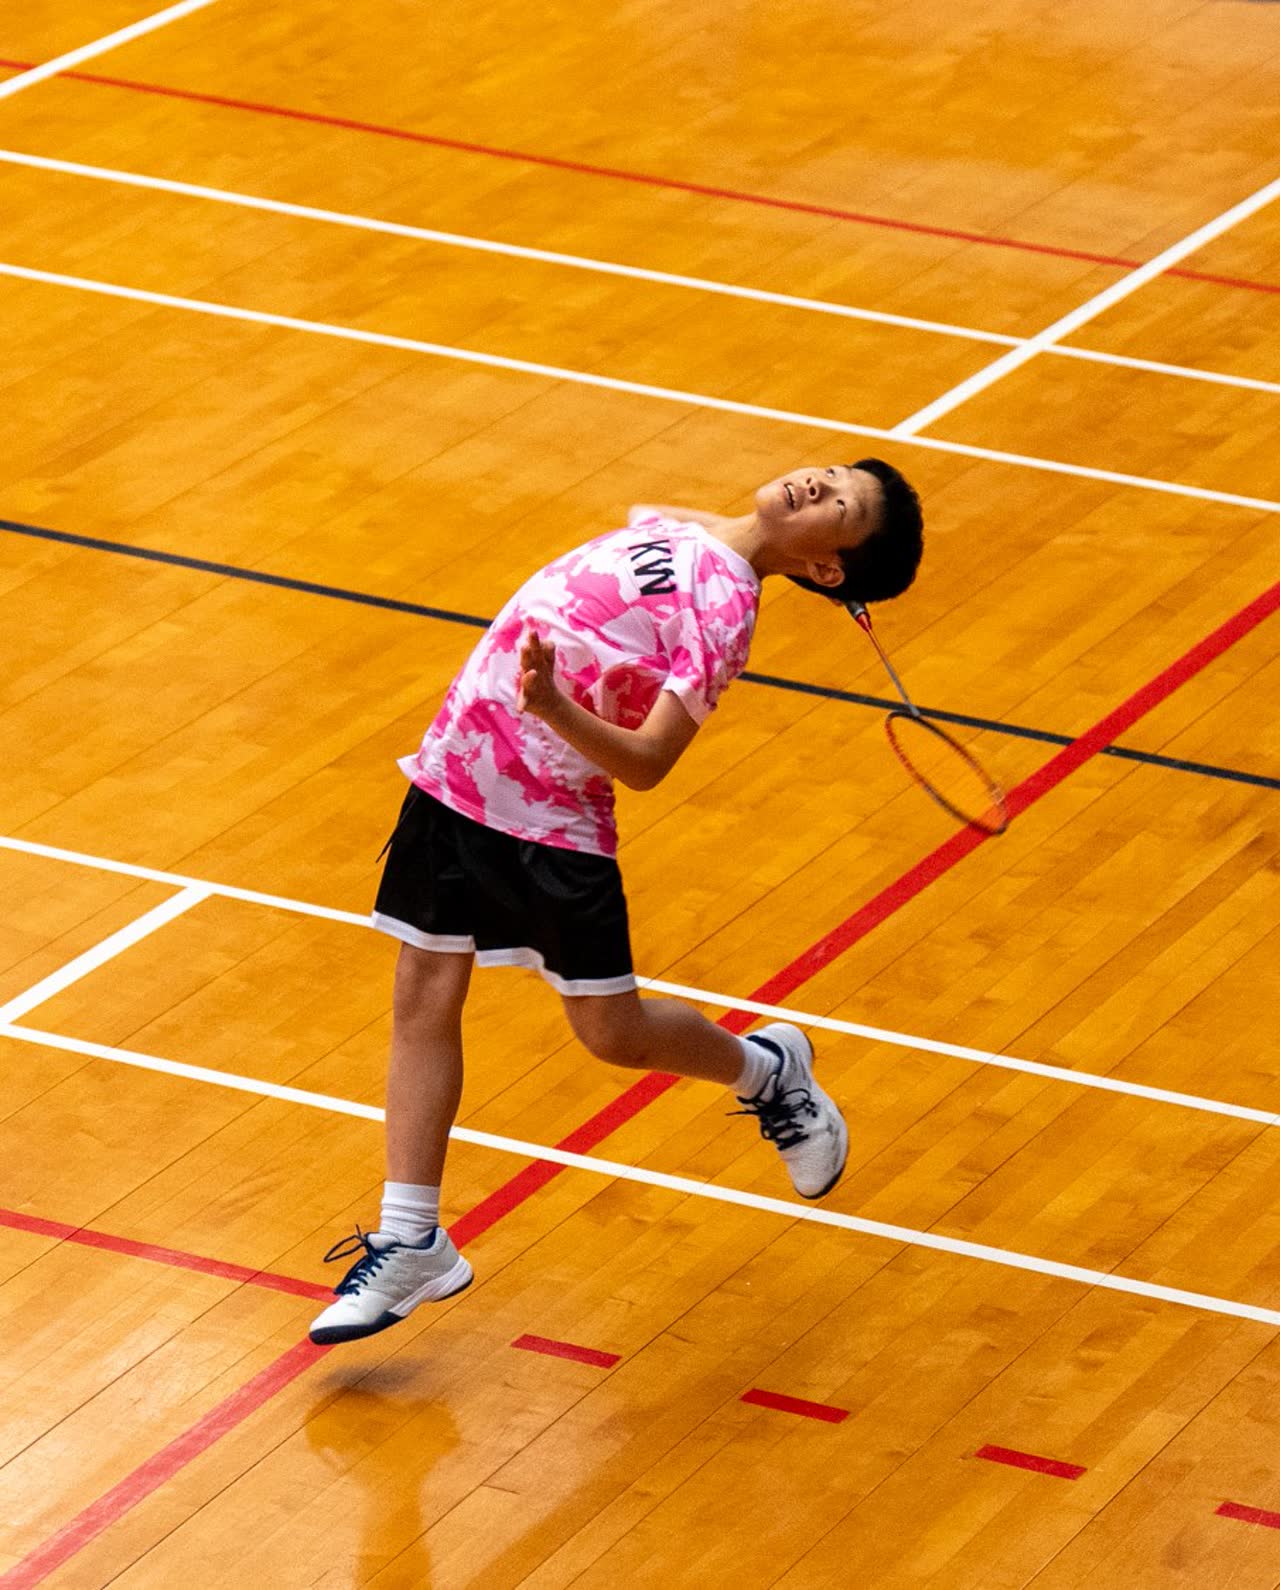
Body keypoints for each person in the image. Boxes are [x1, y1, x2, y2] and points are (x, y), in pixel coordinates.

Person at [309, 458, 924, 1344]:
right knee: (421, 994)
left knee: (613, 1034)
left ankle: (767, 1071)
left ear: (827, 567)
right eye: (827, 473)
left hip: (548, 818)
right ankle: (411, 1241)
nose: (814, 486)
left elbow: (648, 762)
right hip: (460, 768)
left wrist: (552, 703)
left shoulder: (726, 615)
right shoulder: (694, 534)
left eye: (838, 505)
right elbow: (663, 526)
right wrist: (714, 531)